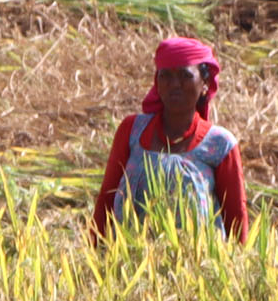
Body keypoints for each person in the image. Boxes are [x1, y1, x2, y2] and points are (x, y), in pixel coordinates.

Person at [92, 34, 250, 242]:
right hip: (130, 262)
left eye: (185, 76)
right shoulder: (132, 131)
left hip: (194, 268)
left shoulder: (220, 144)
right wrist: (94, 256)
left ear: (204, 84)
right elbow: (107, 198)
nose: (174, 84)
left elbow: (236, 218)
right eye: (165, 75)